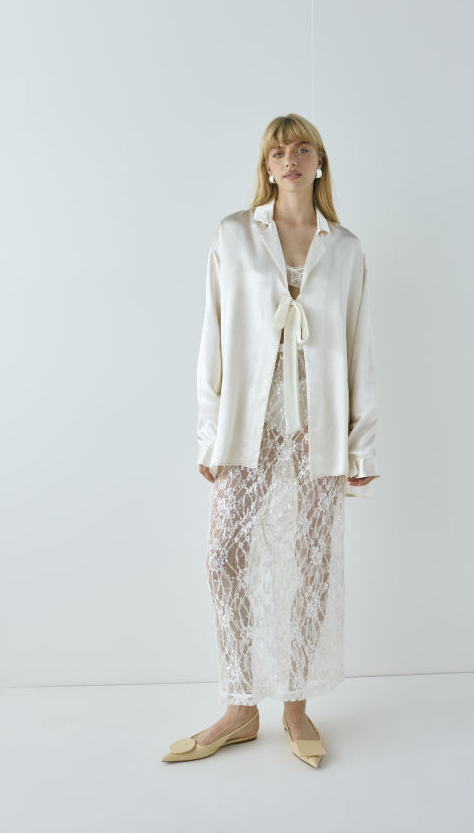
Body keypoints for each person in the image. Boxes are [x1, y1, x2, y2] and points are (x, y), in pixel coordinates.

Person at [162, 113, 380, 768]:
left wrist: (360, 444)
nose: (290, 159)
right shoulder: (234, 235)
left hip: (318, 428)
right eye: (278, 151)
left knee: (310, 566)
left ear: (319, 162)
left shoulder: (345, 248)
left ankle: (295, 705)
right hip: (247, 427)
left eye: (302, 149)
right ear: (265, 165)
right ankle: (240, 707)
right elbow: (213, 333)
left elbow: (359, 346)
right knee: (223, 558)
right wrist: (210, 434)